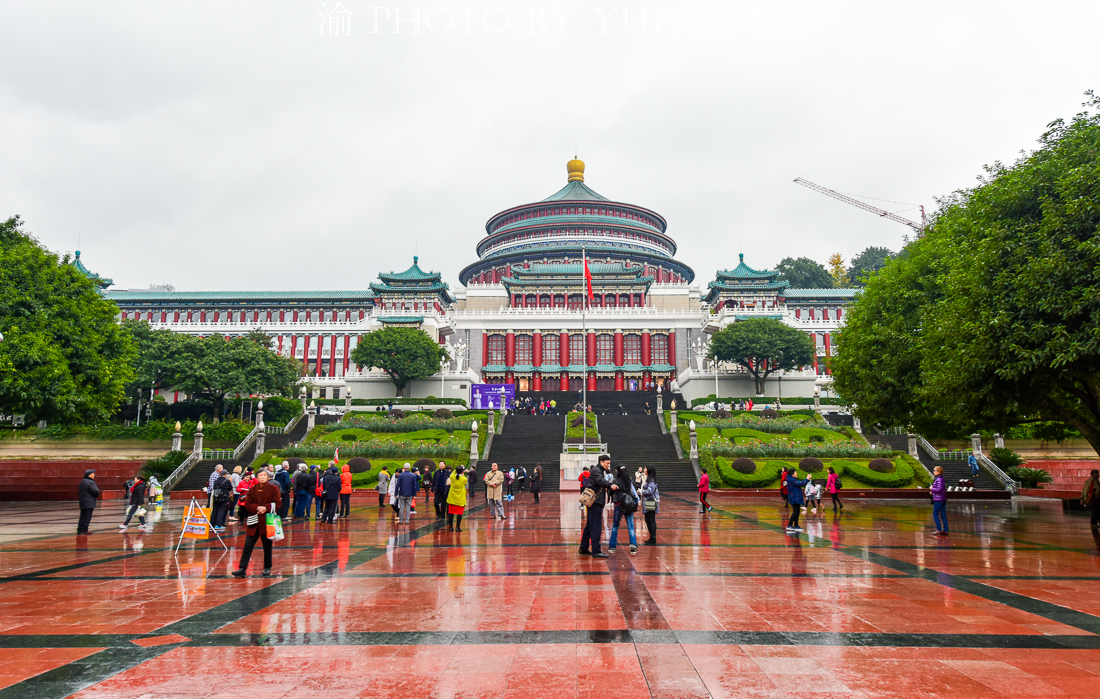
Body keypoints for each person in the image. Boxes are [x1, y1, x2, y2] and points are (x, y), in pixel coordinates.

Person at [231, 469, 282, 578]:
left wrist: (266, 508)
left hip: (267, 522)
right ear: (257, 477)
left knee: (267, 546)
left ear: (267, 477)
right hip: (254, 521)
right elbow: (248, 504)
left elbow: (278, 503)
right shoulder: (253, 490)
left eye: (264, 475)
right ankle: (242, 568)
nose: (263, 477)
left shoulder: (274, 489)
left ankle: (267, 567)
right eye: (260, 475)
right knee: (247, 546)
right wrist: (257, 508)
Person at [580, 454, 612, 558]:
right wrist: (611, 485)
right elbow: (600, 481)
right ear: (601, 461)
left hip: (595, 502)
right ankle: (596, 551)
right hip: (595, 502)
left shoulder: (599, 470)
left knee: (590, 526)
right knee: (596, 527)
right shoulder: (597, 470)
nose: (608, 466)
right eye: (607, 463)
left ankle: (583, 548)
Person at [609, 465, 640, 555]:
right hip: (629, 505)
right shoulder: (629, 480)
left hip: (619, 505)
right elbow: (634, 493)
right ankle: (633, 546)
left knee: (615, 526)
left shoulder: (616, 481)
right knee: (630, 526)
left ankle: (612, 546)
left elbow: (610, 492)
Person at [446, 465, 468, 532]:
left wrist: (456, 469)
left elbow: (452, 474)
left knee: (451, 513)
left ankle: (450, 526)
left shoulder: (452, 477)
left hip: (452, 497)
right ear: (463, 471)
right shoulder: (464, 479)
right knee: (459, 514)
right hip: (460, 499)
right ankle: (458, 527)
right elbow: (464, 481)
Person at [641, 466, 659, 546]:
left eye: (645, 468)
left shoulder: (651, 480)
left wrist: (641, 492)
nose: (644, 470)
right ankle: (651, 537)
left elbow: (650, 491)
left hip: (650, 503)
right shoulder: (649, 479)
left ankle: (653, 538)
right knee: (648, 520)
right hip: (648, 502)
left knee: (651, 519)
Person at [77, 469, 99, 534]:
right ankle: (84, 529)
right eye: (93, 473)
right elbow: (95, 491)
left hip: (83, 502)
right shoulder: (90, 482)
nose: (94, 475)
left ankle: (80, 529)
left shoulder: (83, 481)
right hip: (89, 502)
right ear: (90, 475)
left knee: (83, 516)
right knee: (87, 517)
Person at [931, 466, 948, 535]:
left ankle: (939, 529)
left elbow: (939, 490)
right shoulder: (940, 479)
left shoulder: (939, 479)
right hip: (942, 498)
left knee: (935, 513)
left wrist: (931, 489)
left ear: (939, 472)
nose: (934, 471)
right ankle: (945, 530)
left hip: (939, 499)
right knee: (943, 514)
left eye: (935, 470)